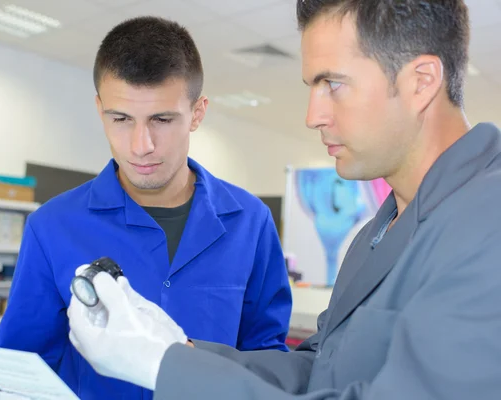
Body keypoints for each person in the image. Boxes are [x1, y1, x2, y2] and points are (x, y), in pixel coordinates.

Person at [66, 0, 501, 399]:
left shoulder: (488, 221)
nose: (313, 116)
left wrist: (162, 367)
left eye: (333, 83)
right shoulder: (378, 231)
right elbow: (317, 371)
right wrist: (178, 349)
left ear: (420, 82)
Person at [0, 16, 293, 400]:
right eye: (121, 119)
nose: (140, 145)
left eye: (162, 119)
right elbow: (20, 367)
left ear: (197, 113)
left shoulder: (251, 222)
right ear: (100, 109)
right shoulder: (52, 226)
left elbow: (266, 359)